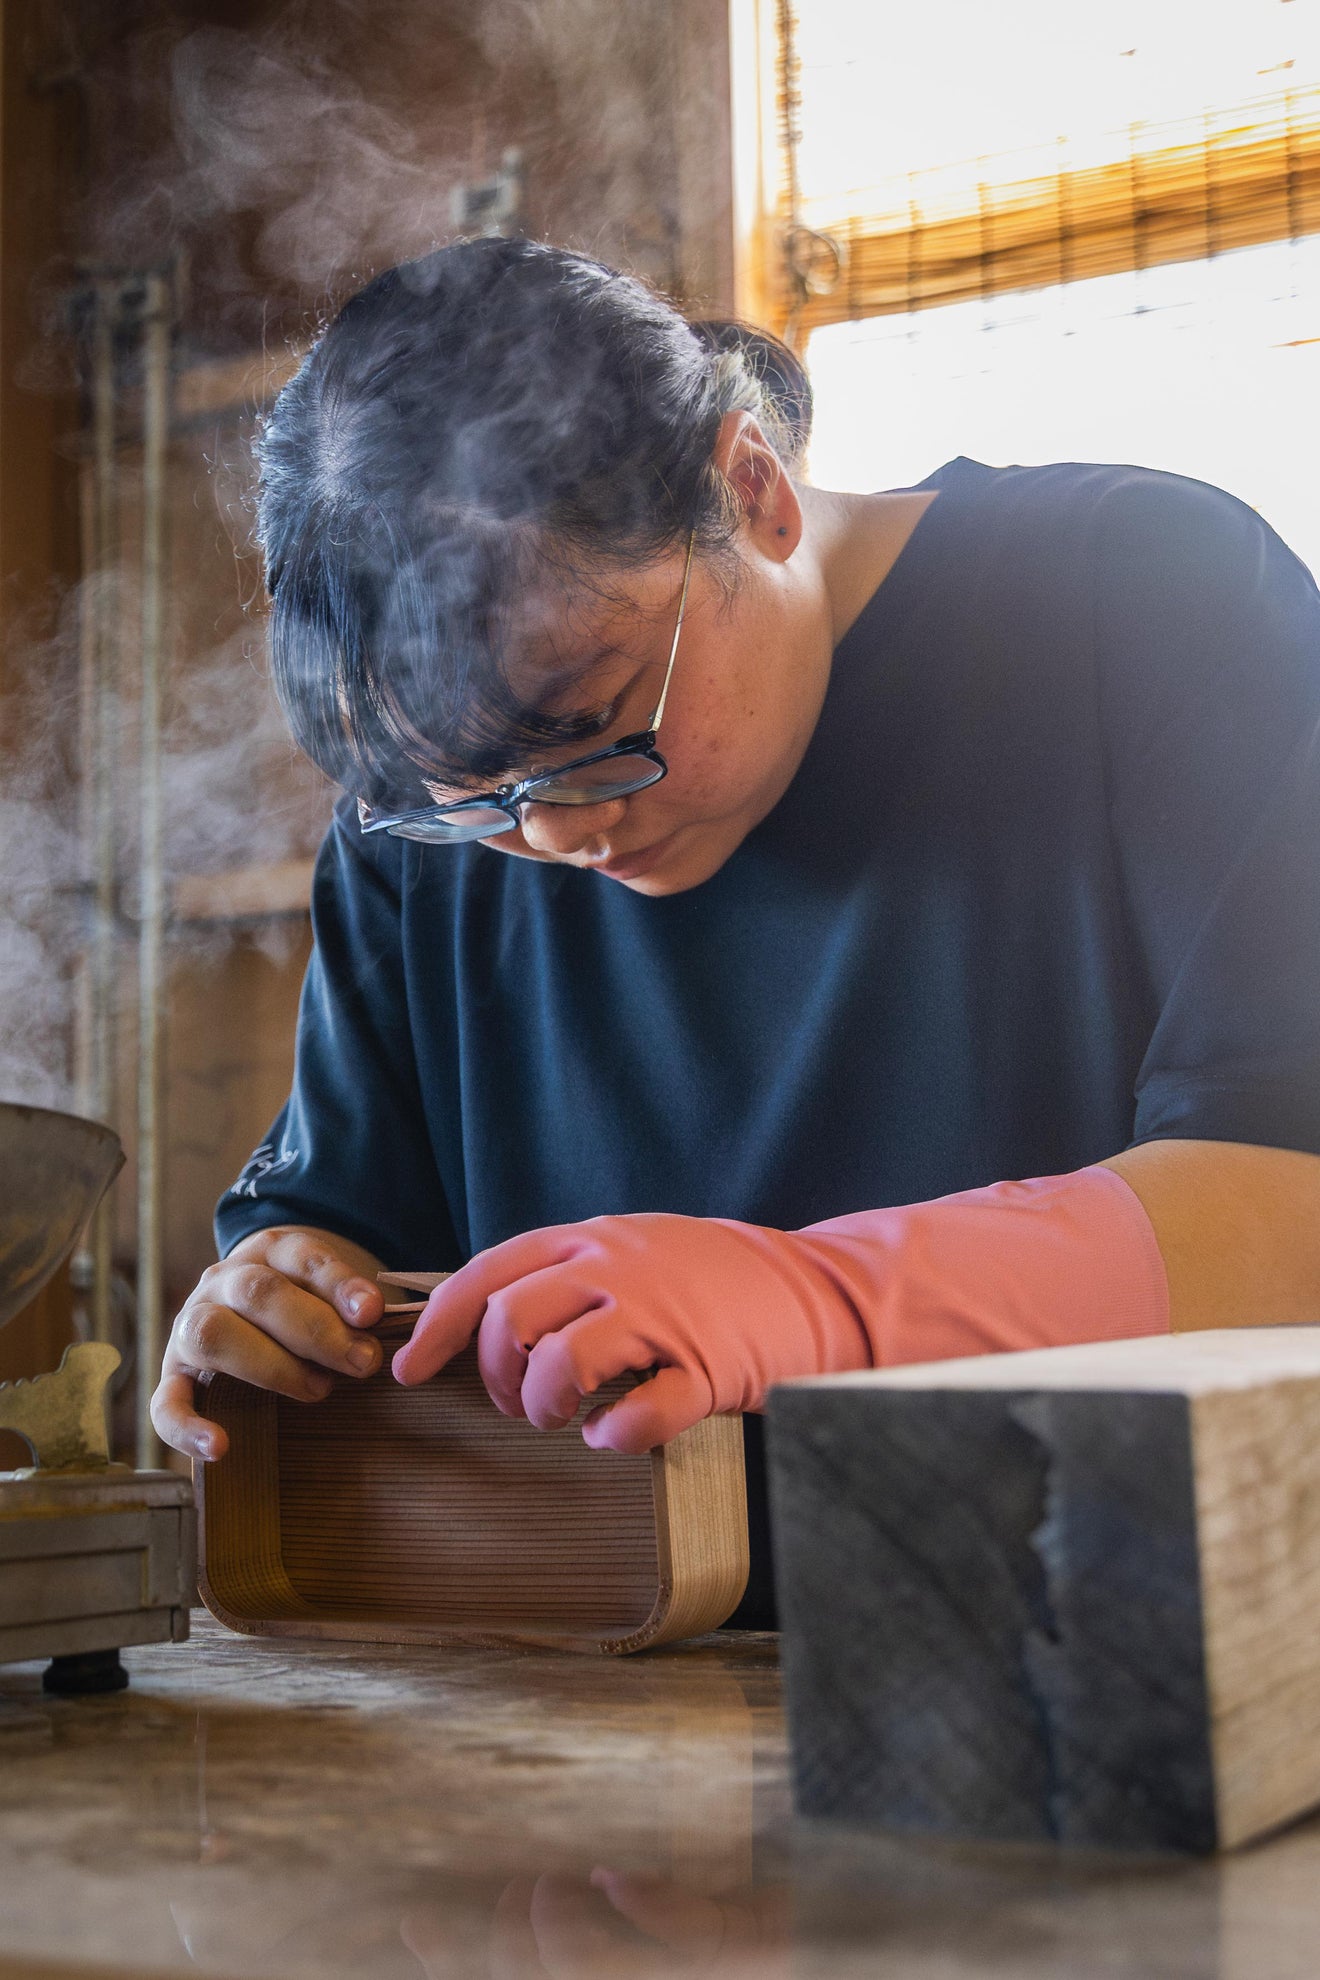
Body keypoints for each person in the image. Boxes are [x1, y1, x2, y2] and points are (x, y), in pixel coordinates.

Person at [152, 236, 1320, 1625]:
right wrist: (274, 1297)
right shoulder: (433, 821)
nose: (556, 835)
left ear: (751, 490)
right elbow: (346, 1235)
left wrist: (820, 1305)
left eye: (592, 726)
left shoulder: (1147, 596)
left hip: (1099, 1668)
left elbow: (1289, 1200)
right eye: (475, 801)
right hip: (601, 1706)